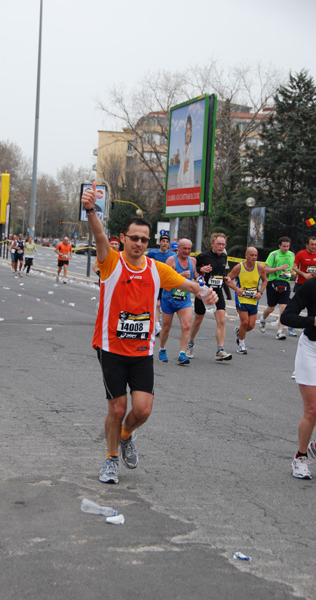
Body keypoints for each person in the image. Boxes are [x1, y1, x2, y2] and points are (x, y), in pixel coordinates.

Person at [81, 182, 218, 484]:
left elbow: (189, 284)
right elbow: (99, 234)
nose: (139, 243)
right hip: (112, 348)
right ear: (123, 239)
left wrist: (204, 292)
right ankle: (111, 459)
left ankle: (127, 436)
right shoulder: (110, 263)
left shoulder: (156, 269)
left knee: (141, 410)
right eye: (134, 238)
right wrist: (91, 209)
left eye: (144, 239)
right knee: (117, 408)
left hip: (142, 350)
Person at [280, 278, 316, 479]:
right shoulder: (312, 286)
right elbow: (287, 316)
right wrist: (313, 321)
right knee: (312, 410)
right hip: (312, 349)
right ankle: (300, 457)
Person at [186, 233, 235, 361]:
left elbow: (222, 272)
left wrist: (226, 277)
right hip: (204, 291)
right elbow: (191, 266)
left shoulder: (224, 256)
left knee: (222, 320)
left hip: (217, 292)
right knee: (198, 319)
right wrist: (201, 268)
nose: (221, 247)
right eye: (218, 244)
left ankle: (220, 350)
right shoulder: (203, 256)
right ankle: (190, 344)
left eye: (223, 244)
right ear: (212, 243)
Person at [158, 238, 198, 365]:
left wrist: (201, 276)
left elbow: (195, 275)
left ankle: (182, 353)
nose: (187, 251)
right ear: (178, 248)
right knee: (166, 327)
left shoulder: (193, 261)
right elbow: (164, 279)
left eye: (189, 249)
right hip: (169, 299)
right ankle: (162, 349)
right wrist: (180, 275)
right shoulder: (171, 260)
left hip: (184, 299)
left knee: (186, 326)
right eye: (184, 248)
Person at [228, 247, 268, 354]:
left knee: (250, 326)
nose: (254, 258)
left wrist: (260, 292)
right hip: (241, 299)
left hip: (253, 299)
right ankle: (241, 345)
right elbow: (228, 279)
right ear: (246, 255)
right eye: (251, 255)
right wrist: (237, 289)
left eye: (255, 255)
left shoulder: (259, 267)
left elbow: (265, 281)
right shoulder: (239, 267)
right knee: (244, 322)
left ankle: (239, 331)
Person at [258, 236, 295, 340]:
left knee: (283, 308)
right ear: (279, 246)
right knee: (271, 308)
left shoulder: (292, 255)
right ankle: (263, 319)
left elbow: (291, 268)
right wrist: (279, 268)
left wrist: (293, 273)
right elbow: (266, 270)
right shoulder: (273, 254)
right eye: (284, 246)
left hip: (285, 283)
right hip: (273, 283)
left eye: (288, 246)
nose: (286, 248)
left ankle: (280, 332)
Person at [146, 234, 176, 335]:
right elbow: (145, 263)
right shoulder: (152, 253)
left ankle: (161, 321)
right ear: (159, 243)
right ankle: (157, 325)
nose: (165, 243)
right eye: (163, 241)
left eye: (167, 242)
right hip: (155, 281)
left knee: (165, 303)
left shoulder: (172, 255)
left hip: (167, 282)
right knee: (157, 303)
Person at [176, 114, 194, 189]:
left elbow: (192, 173)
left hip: (188, 187)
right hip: (181, 186)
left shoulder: (191, 152)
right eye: (186, 129)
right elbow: (181, 169)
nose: (187, 133)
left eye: (189, 129)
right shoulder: (183, 152)